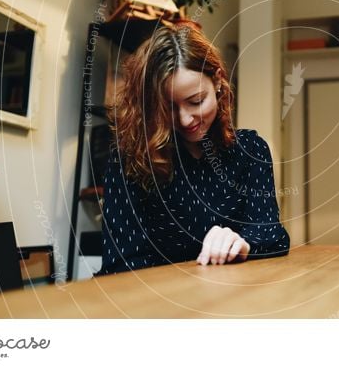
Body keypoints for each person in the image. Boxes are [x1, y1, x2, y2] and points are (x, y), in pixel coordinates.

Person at [98, 21, 289, 274]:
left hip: (236, 300)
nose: (185, 119)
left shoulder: (251, 150)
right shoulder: (130, 159)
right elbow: (120, 263)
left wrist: (243, 244)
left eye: (196, 101)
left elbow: (273, 236)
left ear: (218, 82)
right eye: (169, 108)